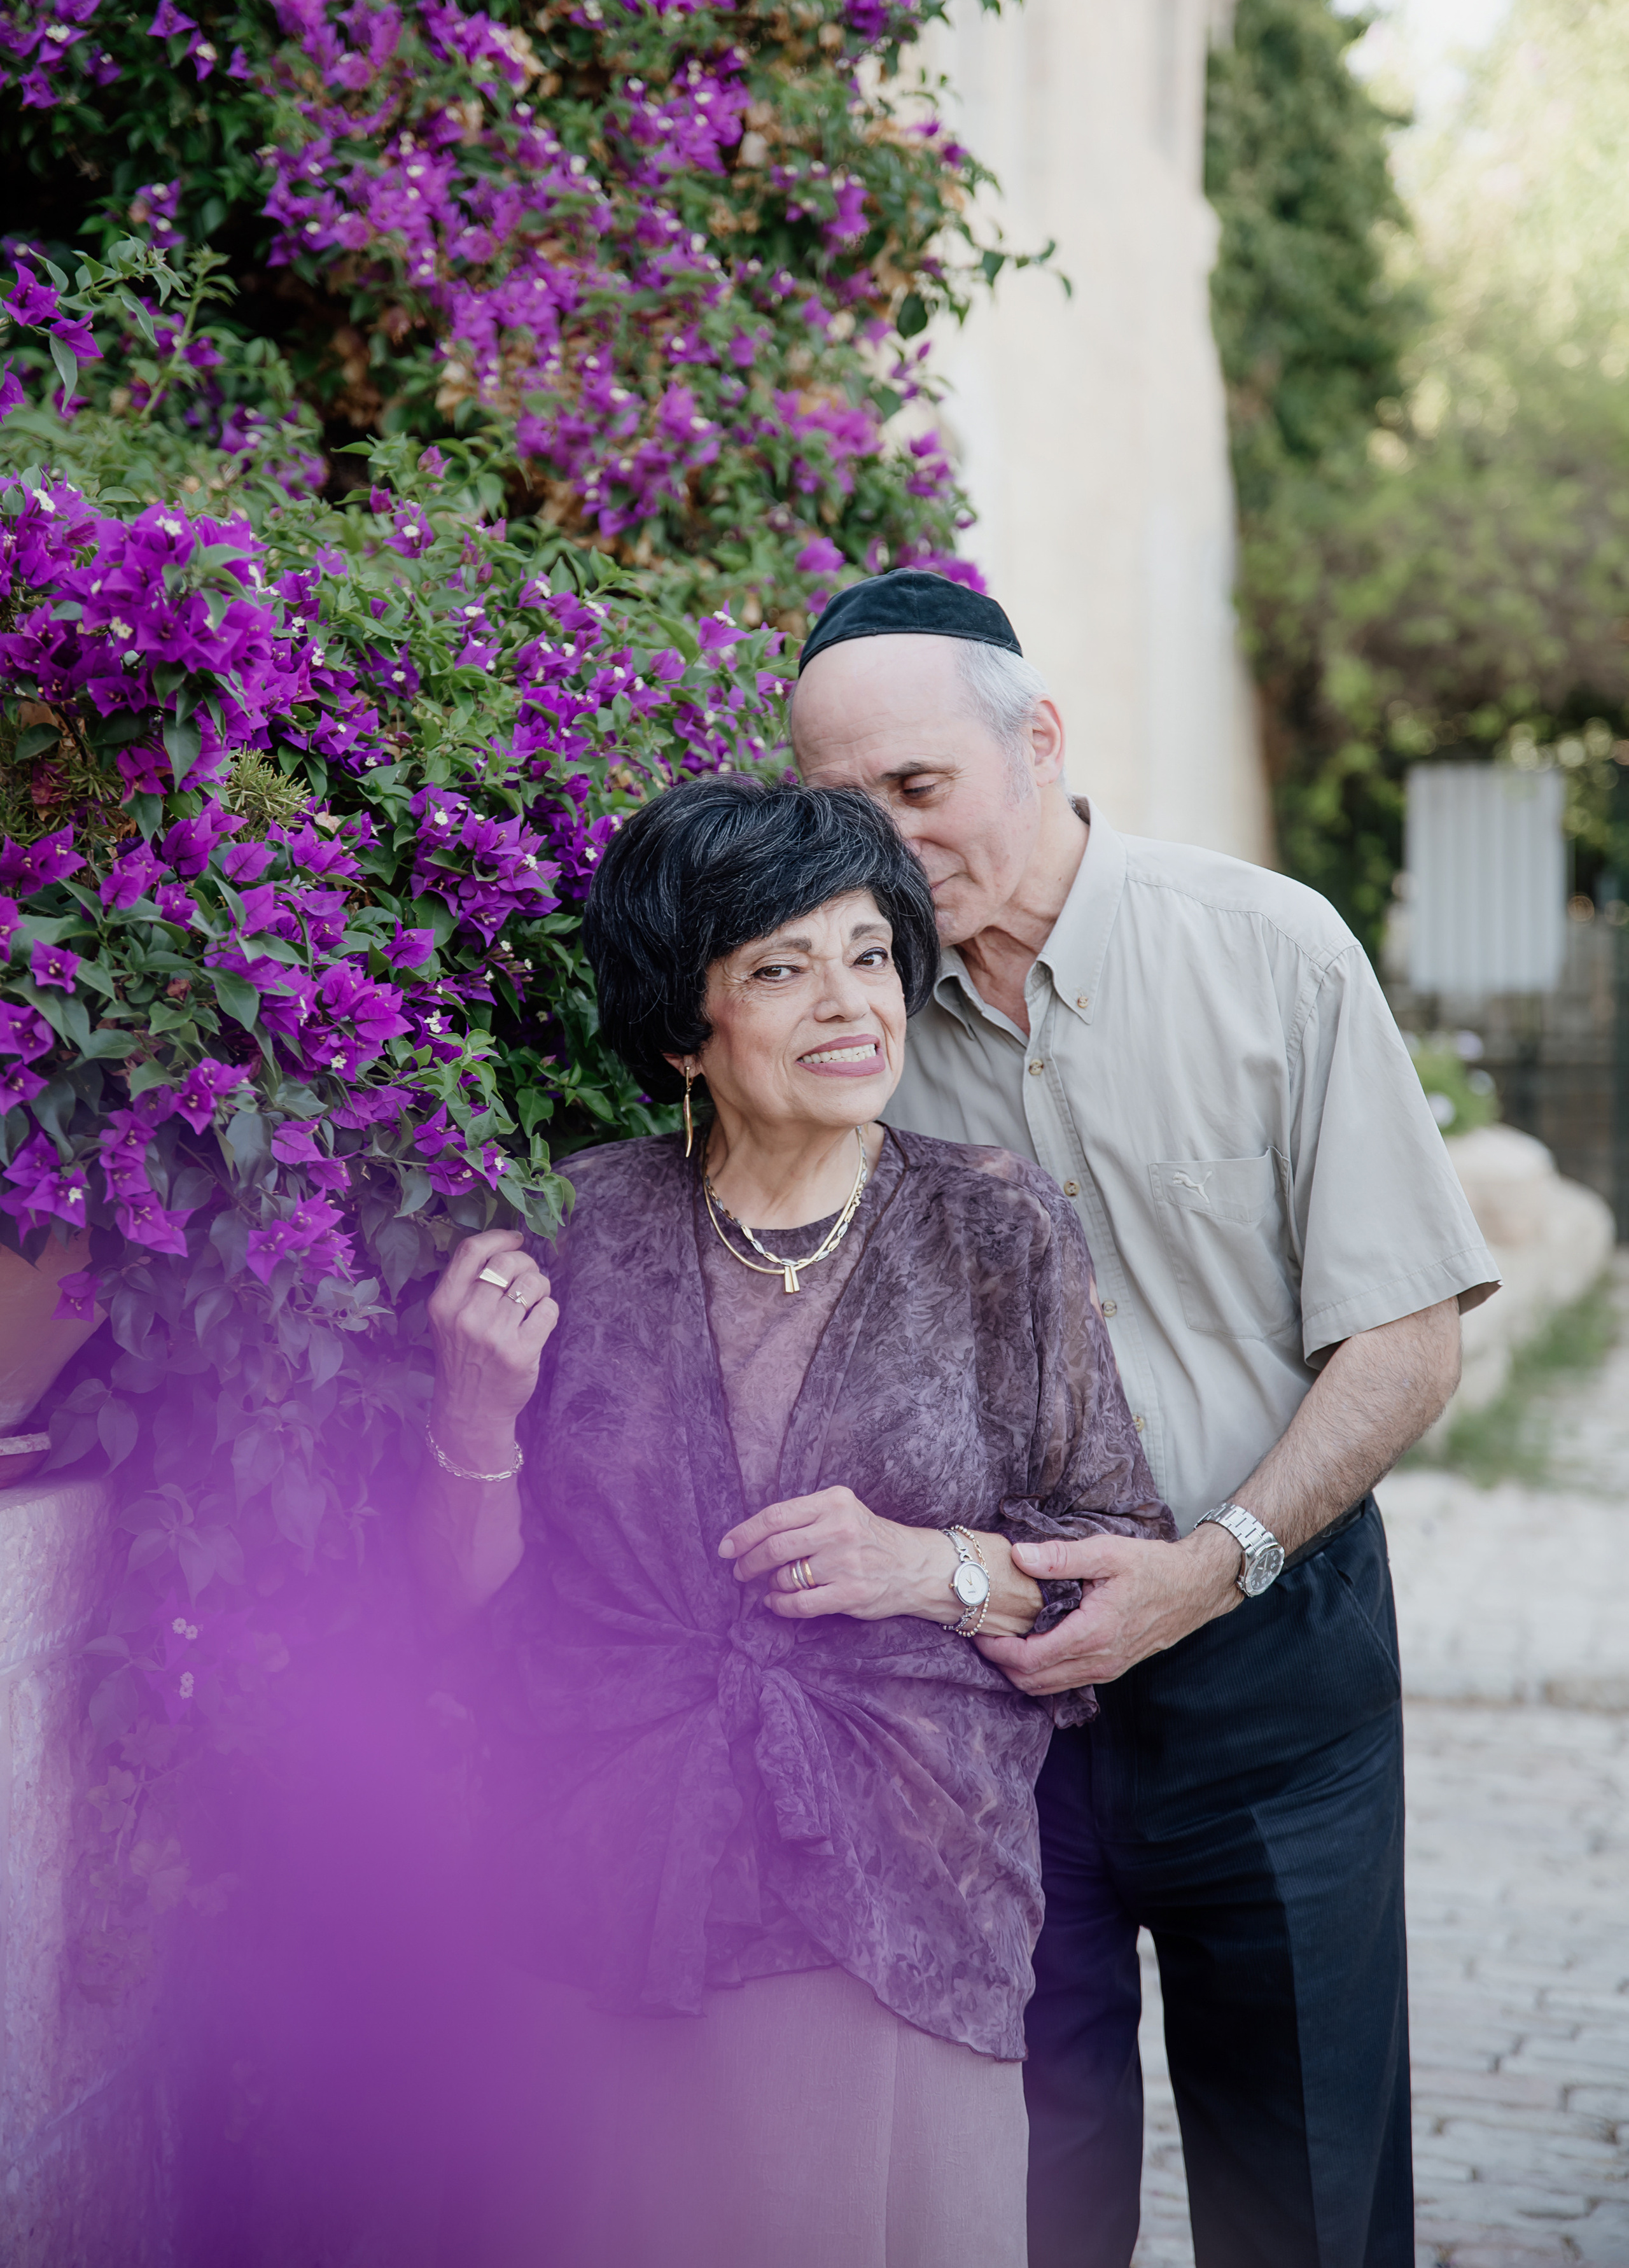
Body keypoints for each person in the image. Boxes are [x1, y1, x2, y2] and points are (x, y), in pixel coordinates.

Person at [789, 566, 1502, 2268]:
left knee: (1308, 2190)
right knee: (1026, 2191)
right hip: (993, 1700)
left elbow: (1406, 1341)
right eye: (839, 806)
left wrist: (1213, 1559)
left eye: (918, 789)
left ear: (1036, 741)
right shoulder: (848, 1022)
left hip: (1274, 1646)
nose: (882, 842)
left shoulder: (1271, 952)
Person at [410, 776, 1173, 2268]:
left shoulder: (995, 1227)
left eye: (870, 953)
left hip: (904, 1898)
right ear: (684, 1028)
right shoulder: (583, 1226)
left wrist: (928, 1567)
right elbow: (460, 1616)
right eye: (780, 965)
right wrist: (471, 1421)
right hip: (608, 1897)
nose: (849, 1002)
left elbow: (1110, 1586)